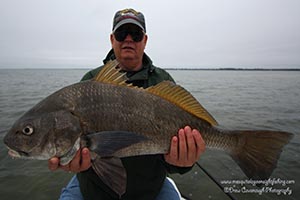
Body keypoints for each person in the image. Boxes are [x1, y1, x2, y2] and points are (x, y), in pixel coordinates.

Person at [48, 8, 205, 200]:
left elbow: (173, 163)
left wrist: (183, 162)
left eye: (136, 34)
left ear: (145, 40)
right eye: (122, 34)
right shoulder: (90, 81)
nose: (128, 39)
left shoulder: (162, 80)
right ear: (112, 39)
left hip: (150, 190)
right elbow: (82, 149)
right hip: (95, 191)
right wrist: (75, 161)